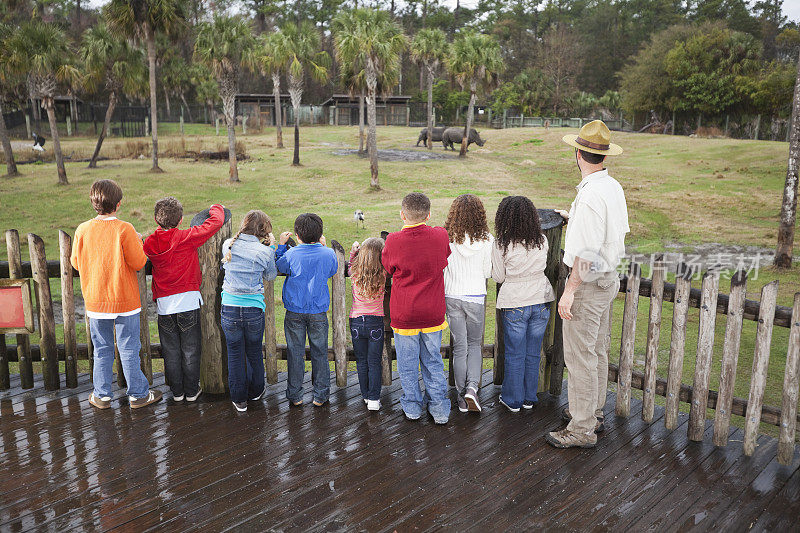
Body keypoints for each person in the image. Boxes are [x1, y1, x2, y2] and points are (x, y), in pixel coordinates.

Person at [546, 119, 629, 449]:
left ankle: (580, 431)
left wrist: (569, 290)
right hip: (608, 280)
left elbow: (587, 252)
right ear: (604, 157)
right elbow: (608, 232)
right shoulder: (612, 187)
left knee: (579, 358)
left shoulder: (591, 196)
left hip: (588, 284)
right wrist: (574, 218)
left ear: (578, 154)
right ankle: (592, 413)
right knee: (595, 351)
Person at [70, 179, 162, 409]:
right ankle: (139, 395)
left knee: (101, 349)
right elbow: (139, 262)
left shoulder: (83, 229)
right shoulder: (125, 229)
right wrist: (138, 241)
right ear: (118, 204)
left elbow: (75, 263)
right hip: (125, 301)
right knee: (129, 348)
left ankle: (101, 395)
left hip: (96, 302)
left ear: (93, 202)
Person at [143, 198, 224, 403]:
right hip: (187, 301)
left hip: (164, 305)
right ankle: (191, 391)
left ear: (155, 219)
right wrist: (216, 207)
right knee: (190, 350)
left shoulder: (150, 243)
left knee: (171, 351)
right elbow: (214, 223)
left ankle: (177, 393)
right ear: (181, 220)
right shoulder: (186, 237)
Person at [382, 192, 451, 424]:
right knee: (433, 359)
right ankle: (439, 407)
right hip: (432, 313)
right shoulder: (441, 236)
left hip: (405, 314)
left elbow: (388, 268)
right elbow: (444, 259)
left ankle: (412, 405)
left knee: (407, 362)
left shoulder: (393, 241)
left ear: (402, 214)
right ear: (429, 214)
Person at [492, 196, 555, 413]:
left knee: (514, 354)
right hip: (541, 299)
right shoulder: (542, 240)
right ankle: (529, 397)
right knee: (533, 352)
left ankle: (512, 399)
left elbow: (499, 277)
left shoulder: (501, 243)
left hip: (515, 301)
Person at [276, 213, 338, 407]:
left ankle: (295, 395)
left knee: (295, 352)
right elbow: (333, 269)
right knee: (320, 352)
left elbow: (279, 266)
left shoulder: (292, 254)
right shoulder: (328, 253)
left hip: (295, 310)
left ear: (297, 234)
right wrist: (324, 246)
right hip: (318, 311)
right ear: (320, 234)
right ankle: (321, 395)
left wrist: (280, 246)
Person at [220, 210, 278, 412]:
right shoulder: (265, 251)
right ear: (263, 230)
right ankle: (255, 391)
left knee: (235, 353)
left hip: (230, 308)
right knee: (254, 351)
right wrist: (272, 248)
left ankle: (239, 399)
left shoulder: (228, 244)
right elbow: (270, 276)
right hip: (253, 309)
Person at [443, 194, 493, 413]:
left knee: (459, 348)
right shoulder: (487, 240)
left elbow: (443, 269)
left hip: (452, 296)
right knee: (474, 345)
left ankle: (461, 397)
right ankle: (472, 388)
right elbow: (487, 272)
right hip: (475, 297)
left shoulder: (446, 239)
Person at [348, 237, 386, 411]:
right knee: (374, 362)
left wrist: (354, 251)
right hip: (375, 322)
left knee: (361, 361)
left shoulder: (354, 272)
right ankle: (374, 399)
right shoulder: (383, 274)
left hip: (356, 321)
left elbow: (350, 264)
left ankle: (365, 394)